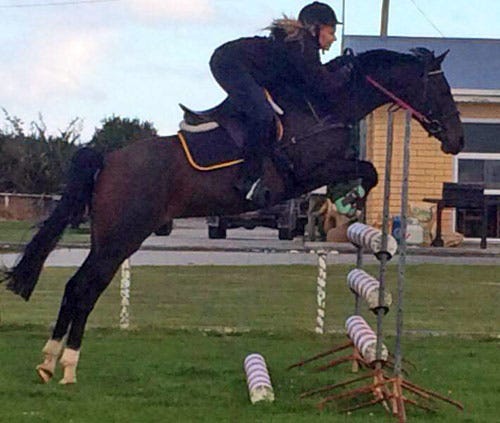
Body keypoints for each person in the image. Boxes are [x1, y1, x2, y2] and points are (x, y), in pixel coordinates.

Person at [209, 2, 352, 207]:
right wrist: (346, 73)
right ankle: (249, 180)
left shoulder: (301, 45)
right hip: (229, 63)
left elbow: (311, 80)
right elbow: (320, 84)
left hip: (240, 66)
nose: (334, 38)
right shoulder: (303, 46)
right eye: (331, 32)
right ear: (315, 28)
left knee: (267, 109)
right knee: (263, 116)